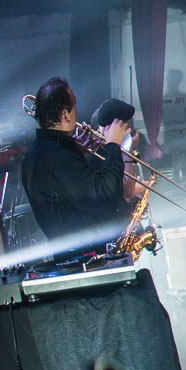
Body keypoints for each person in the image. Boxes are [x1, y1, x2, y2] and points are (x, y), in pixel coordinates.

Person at [19, 77, 132, 252]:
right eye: (74, 106)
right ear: (65, 114)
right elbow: (105, 196)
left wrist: (77, 151)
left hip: (73, 249)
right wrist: (113, 145)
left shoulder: (39, 150)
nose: (76, 113)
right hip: (87, 253)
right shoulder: (58, 155)